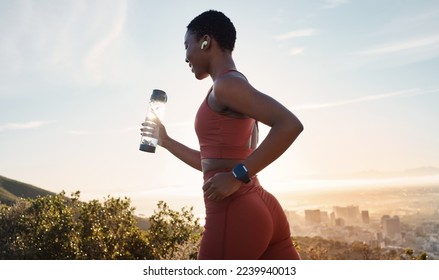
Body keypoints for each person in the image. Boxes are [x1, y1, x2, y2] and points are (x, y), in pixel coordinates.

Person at [144, 10, 303, 260]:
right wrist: (165, 141)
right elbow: (214, 164)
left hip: (235, 209)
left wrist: (237, 177)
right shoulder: (231, 87)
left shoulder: (227, 86)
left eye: (187, 45)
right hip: (259, 205)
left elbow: (290, 125)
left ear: (206, 41)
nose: (185, 56)